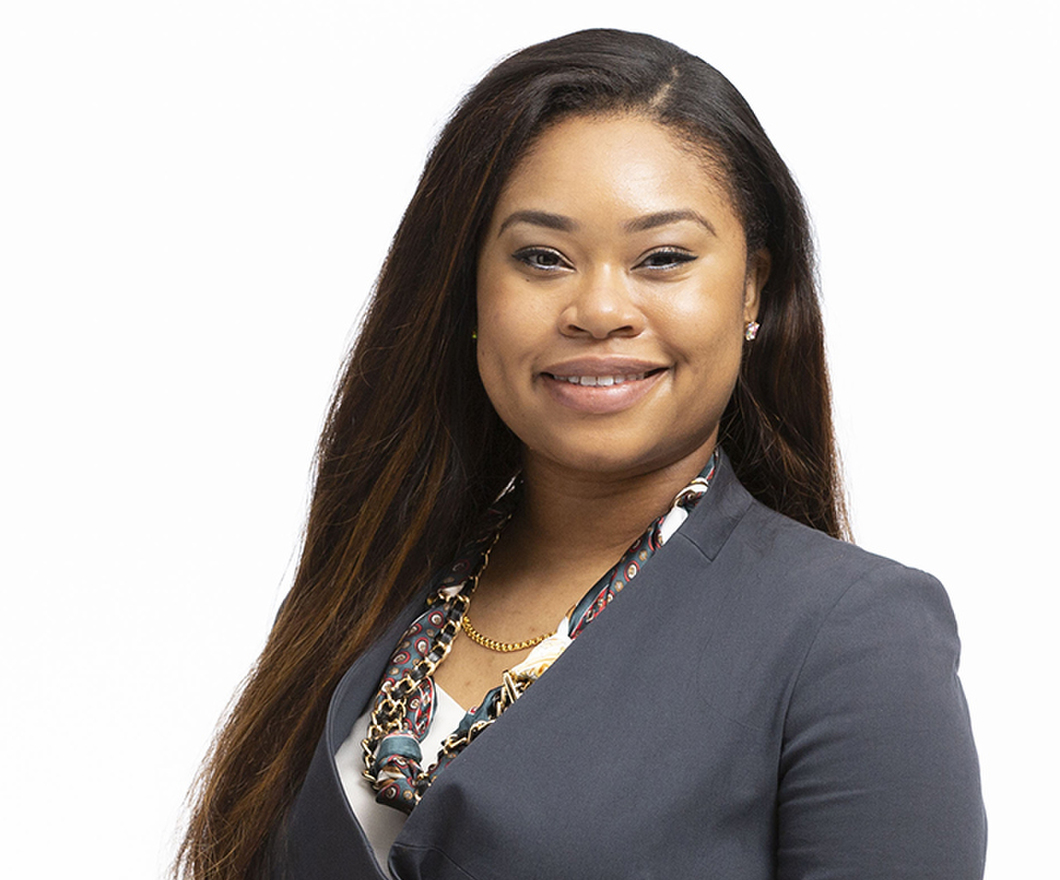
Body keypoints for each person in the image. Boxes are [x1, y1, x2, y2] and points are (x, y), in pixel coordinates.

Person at [176, 29, 986, 880]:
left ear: (752, 287)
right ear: (469, 288)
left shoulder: (856, 638)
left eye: (663, 259)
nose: (599, 310)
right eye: (542, 258)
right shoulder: (375, 586)